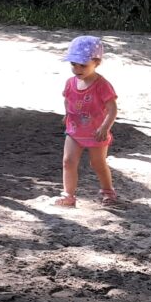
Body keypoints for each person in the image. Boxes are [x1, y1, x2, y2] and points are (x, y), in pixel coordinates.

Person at [54, 35, 118, 208]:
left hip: (96, 133)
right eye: (73, 64)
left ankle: (108, 191)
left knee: (97, 163)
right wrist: (67, 114)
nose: (77, 69)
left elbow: (112, 109)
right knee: (68, 161)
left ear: (96, 62)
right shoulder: (70, 82)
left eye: (83, 65)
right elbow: (68, 99)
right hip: (74, 131)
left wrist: (105, 127)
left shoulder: (102, 85)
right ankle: (68, 195)